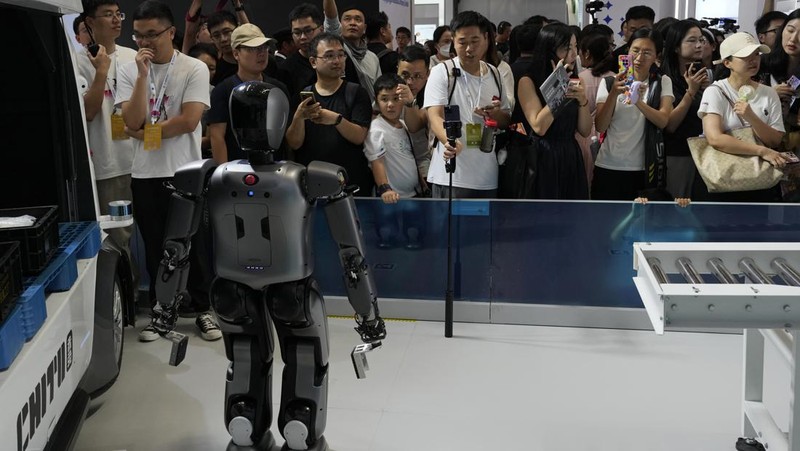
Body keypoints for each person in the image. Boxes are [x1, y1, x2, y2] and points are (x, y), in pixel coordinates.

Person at [116, 0, 219, 342]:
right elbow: (128, 121)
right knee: (159, 246)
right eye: (138, 36)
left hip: (185, 172)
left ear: (171, 32)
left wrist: (146, 133)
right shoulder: (130, 69)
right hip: (145, 174)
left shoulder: (193, 68)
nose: (144, 42)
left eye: (152, 35)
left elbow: (189, 121)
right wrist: (143, 76)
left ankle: (204, 309)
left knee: (195, 243)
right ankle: (164, 311)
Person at [423, 11, 511, 199]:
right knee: (449, 228)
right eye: (462, 42)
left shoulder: (495, 74)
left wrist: (494, 115)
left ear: (486, 39)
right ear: (453, 42)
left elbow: (506, 119)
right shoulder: (442, 72)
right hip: (451, 175)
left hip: (487, 175)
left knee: (483, 228)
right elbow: (434, 116)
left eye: (475, 41)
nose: (469, 48)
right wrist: (449, 141)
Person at [77, 0, 137, 266]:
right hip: (108, 162)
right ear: (90, 22)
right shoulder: (77, 60)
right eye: (107, 15)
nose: (116, 20)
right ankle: (128, 297)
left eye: (118, 14)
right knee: (117, 237)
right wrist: (101, 71)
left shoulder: (133, 56)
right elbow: (87, 112)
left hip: (141, 161)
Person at [697, 32, 787, 202]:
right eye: (745, 56)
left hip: (760, 179)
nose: (754, 60)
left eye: (756, 55)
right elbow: (715, 138)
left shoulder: (769, 93)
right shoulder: (715, 91)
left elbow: (775, 140)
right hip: (722, 175)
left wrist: (751, 116)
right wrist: (762, 150)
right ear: (727, 62)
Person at [285, 33, 375, 195]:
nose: (337, 61)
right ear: (313, 62)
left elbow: (359, 136)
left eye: (341, 55)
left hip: (351, 183)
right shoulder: (304, 95)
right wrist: (298, 117)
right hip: (312, 184)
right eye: (329, 56)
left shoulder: (356, 93)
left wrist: (335, 119)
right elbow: (294, 143)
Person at [593, 28, 674, 201]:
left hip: (645, 168)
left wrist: (636, 100)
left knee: (643, 224)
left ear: (656, 56)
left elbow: (663, 121)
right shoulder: (609, 83)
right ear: (627, 51)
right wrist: (614, 93)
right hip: (609, 164)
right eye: (635, 50)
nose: (639, 58)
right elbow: (600, 126)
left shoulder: (662, 82)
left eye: (647, 52)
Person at [517, 23, 591, 199]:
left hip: (570, 153)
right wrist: (558, 87)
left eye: (575, 47)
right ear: (549, 50)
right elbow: (539, 126)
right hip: (543, 156)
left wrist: (583, 101)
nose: (574, 54)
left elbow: (585, 130)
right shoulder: (527, 81)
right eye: (567, 48)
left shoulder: (577, 79)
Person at [208, 24, 292, 164]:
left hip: (276, 169)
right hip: (238, 170)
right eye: (253, 48)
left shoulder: (278, 88)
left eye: (264, 47)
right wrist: (223, 175)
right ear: (236, 54)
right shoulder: (223, 90)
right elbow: (217, 137)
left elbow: (287, 136)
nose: (261, 53)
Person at [364, 74, 424, 248]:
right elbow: (377, 161)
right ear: (376, 101)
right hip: (390, 198)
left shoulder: (404, 125)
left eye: (395, 98)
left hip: (411, 194)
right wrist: (385, 188)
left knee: (413, 235)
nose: (390, 104)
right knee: (387, 237)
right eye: (384, 99)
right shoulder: (376, 129)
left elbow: (411, 158)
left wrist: (422, 183)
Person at [662, 20, 711, 199]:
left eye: (701, 39)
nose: (699, 45)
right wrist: (691, 91)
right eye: (691, 40)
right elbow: (670, 125)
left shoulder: (704, 76)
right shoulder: (665, 79)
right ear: (676, 47)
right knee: (677, 208)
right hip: (678, 154)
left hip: (705, 153)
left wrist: (706, 89)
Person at [576, 32, 617, 186]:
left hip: (582, 137)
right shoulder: (615, 79)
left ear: (587, 53)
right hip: (608, 138)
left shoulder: (579, 78)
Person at [323, 0, 382, 101]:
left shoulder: (372, 57)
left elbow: (380, 89)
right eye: (347, 19)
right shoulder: (338, 46)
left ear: (364, 28)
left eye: (358, 20)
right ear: (340, 24)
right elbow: (331, 18)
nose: (353, 23)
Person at [396, 45, 432, 184]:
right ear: (397, 71)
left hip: (424, 164)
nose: (410, 82)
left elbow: (415, 126)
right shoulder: (386, 96)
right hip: (395, 166)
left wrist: (410, 103)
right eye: (404, 75)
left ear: (427, 74)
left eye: (417, 76)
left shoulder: (432, 97)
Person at [280, 3, 325, 96]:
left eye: (308, 31)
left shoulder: (336, 58)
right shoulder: (287, 68)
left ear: (321, 29)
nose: (303, 37)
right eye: (297, 32)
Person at [366, 11, 399, 76]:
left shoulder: (360, 55)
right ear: (382, 31)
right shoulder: (392, 57)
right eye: (389, 27)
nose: (390, 31)